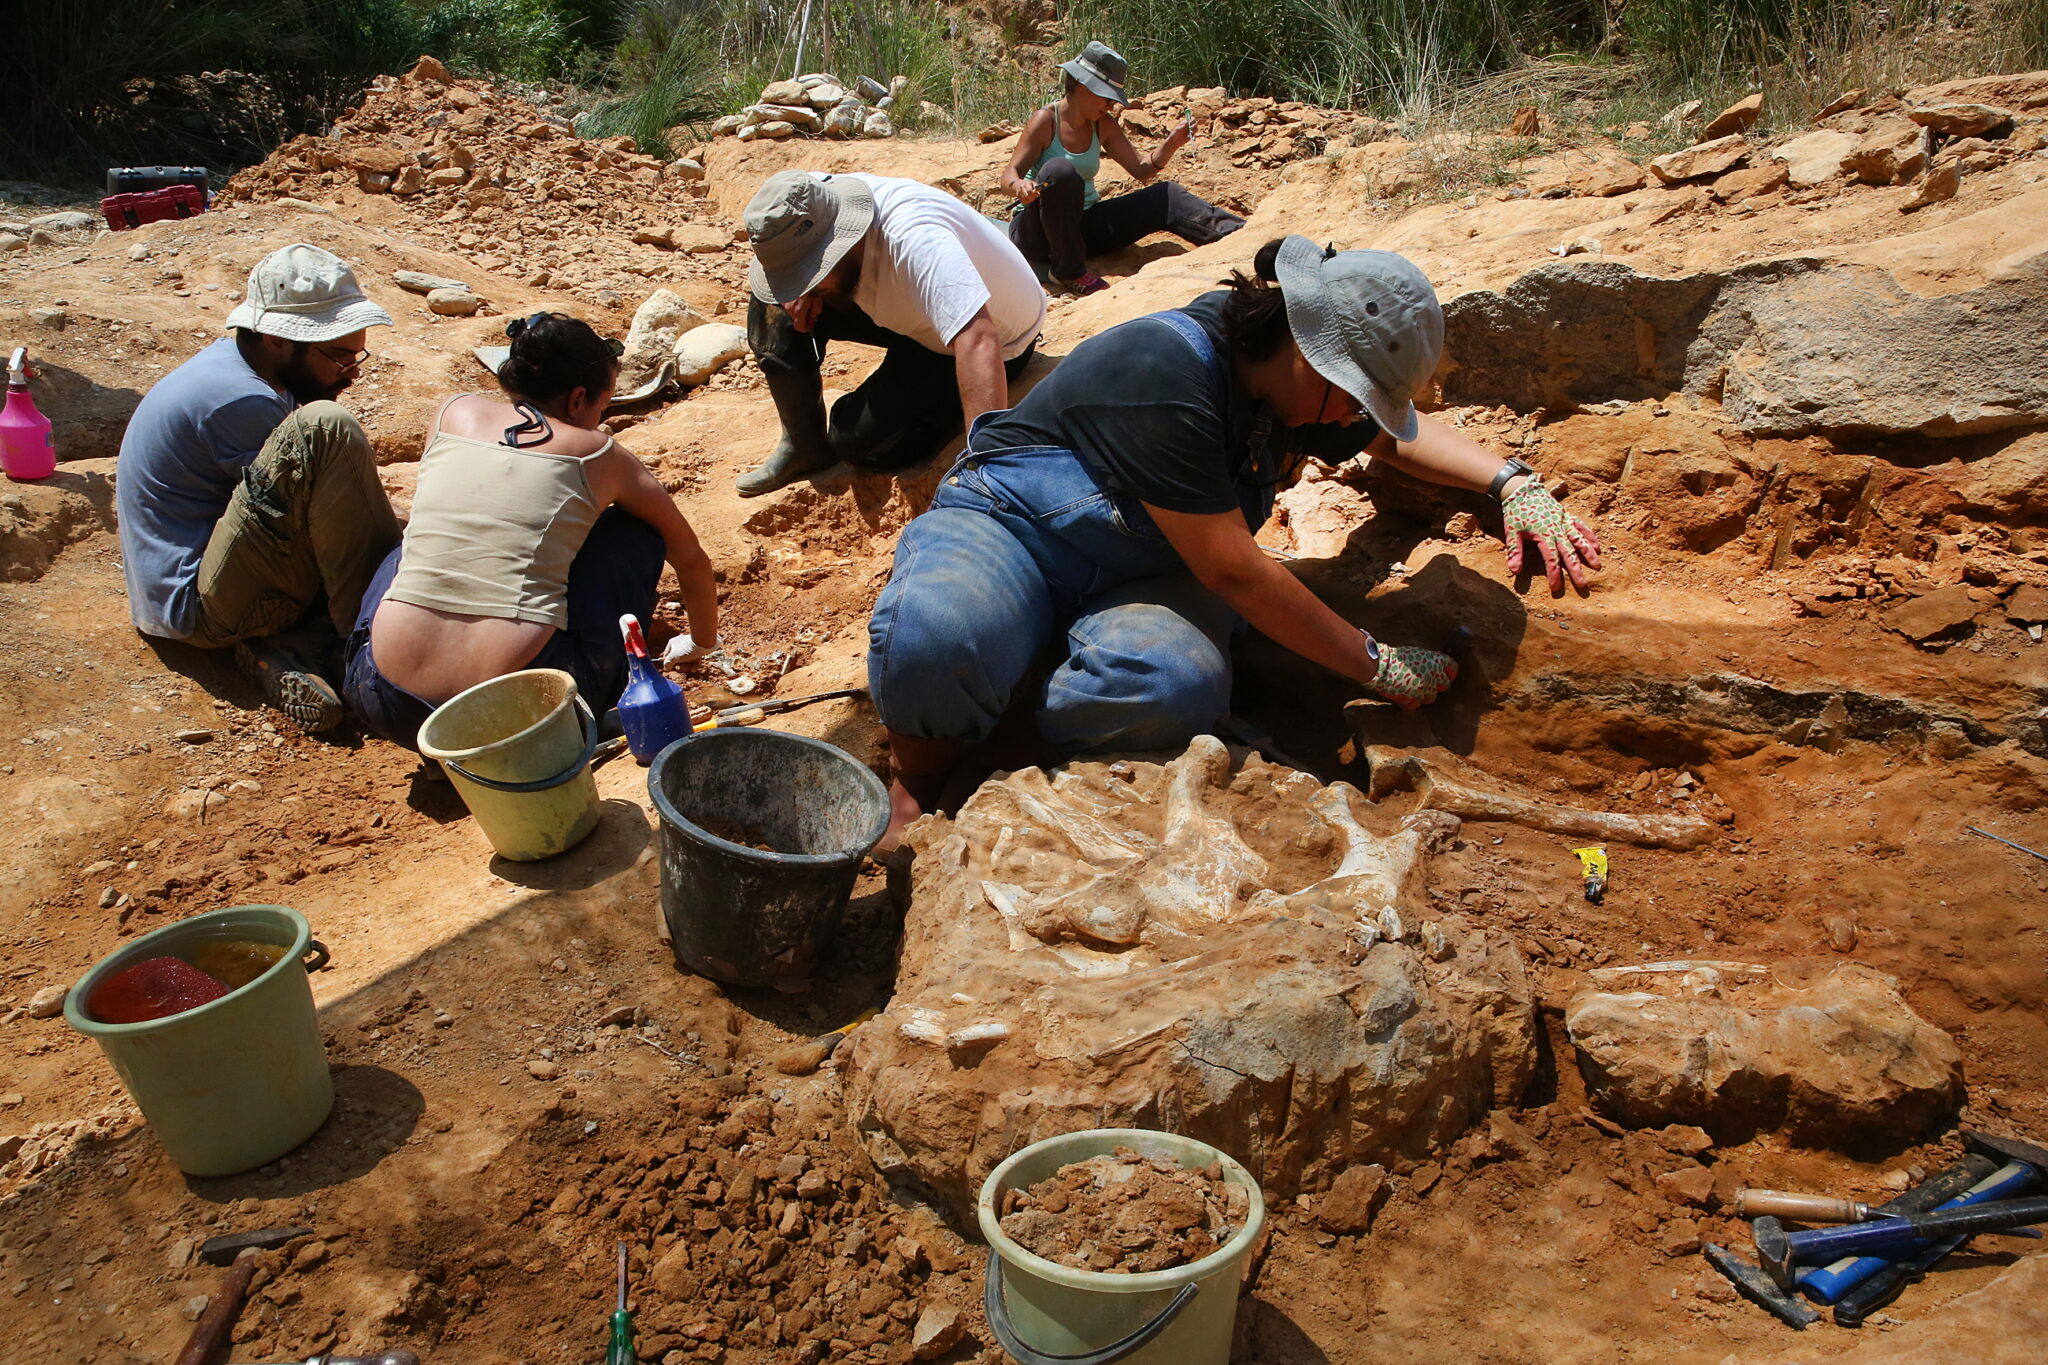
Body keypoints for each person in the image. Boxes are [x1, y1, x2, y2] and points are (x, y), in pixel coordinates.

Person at [866, 236, 1602, 844]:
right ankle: (920, 777)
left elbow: (1393, 440)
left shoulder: (1295, 384)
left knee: (1174, 683)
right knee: (936, 635)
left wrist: (1510, 482)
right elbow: (1235, 573)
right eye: (1350, 395)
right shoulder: (1169, 366)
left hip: (1144, 572)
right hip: (1013, 527)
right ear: (1310, 355)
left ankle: (1003, 742)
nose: (1350, 416)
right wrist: (1375, 664)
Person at [342, 313, 719, 748]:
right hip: (518, 714)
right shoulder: (598, 455)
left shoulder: (452, 412)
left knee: (414, 545)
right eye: (603, 405)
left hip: (384, 698)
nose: (601, 419)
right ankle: (562, 722)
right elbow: (691, 560)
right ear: (578, 398)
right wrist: (700, 643)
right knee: (635, 535)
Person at [115, 243, 400, 732]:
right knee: (326, 429)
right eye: (338, 356)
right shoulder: (239, 399)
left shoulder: (246, 368)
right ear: (275, 339)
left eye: (356, 355)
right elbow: (315, 520)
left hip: (195, 588)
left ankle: (287, 646)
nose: (350, 373)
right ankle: (367, 643)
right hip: (199, 606)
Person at [735, 169, 1046, 498]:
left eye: (811, 272)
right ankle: (805, 445)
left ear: (839, 239)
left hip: (991, 339)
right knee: (771, 304)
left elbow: (979, 339)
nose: (805, 282)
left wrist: (985, 461)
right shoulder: (802, 203)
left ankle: (935, 419)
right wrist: (800, 285)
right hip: (908, 310)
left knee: (857, 440)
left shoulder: (915, 240)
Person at [1003, 41, 1245, 296]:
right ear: (1083, 86)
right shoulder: (1045, 120)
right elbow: (1008, 176)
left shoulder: (1103, 124)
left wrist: (1172, 144)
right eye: (1106, 97)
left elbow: (1141, 169)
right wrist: (1019, 186)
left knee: (1165, 195)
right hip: (1037, 233)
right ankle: (1069, 272)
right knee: (1060, 171)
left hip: (1080, 228)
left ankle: (1239, 234)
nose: (1111, 105)